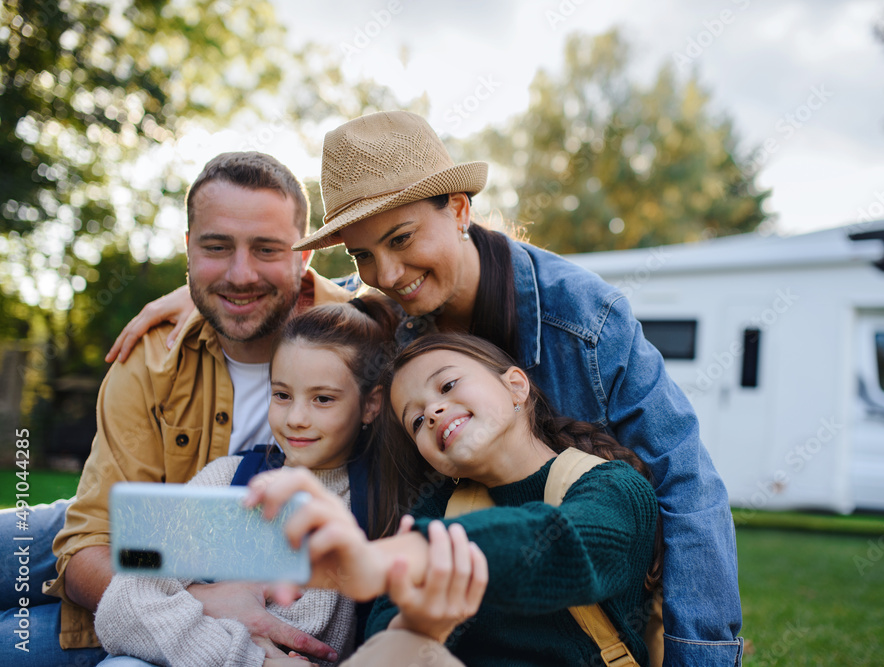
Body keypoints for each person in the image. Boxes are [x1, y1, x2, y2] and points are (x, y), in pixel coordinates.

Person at [109, 110, 744, 665]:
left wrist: (702, 655)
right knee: (52, 548)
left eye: (402, 239)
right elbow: (329, 321)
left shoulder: (584, 327)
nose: (385, 273)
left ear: (460, 209)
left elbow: (679, 488)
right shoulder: (392, 343)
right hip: (404, 593)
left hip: (574, 606)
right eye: (361, 256)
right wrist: (217, 290)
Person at [0, 152, 355, 667]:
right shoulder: (151, 353)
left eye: (267, 249)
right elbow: (87, 545)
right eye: (216, 248)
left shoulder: (359, 342)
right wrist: (195, 602)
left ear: (304, 258)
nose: (240, 273)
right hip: (132, 558)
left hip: (158, 598)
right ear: (188, 251)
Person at [94, 298, 486, 667]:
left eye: (323, 400)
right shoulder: (231, 481)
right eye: (282, 395)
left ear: (371, 404)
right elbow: (121, 606)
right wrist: (255, 661)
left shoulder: (392, 501)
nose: (296, 417)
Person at [246, 332, 660, 666]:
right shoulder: (437, 509)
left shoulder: (613, 487)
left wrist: (382, 561)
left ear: (516, 386)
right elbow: (385, 632)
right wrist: (420, 622)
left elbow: (560, 544)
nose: (434, 412)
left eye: (447, 385)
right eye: (417, 420)